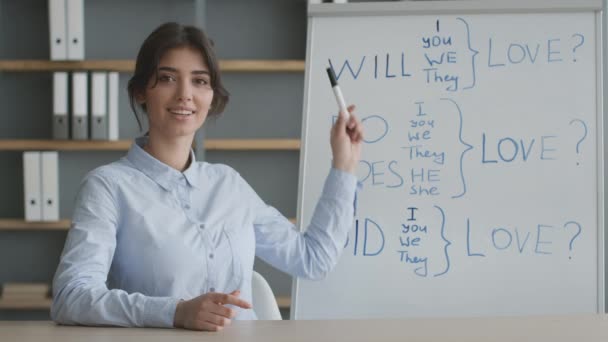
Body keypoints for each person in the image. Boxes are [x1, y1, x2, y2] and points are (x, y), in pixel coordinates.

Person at [50, 22, 363, 331]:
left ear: (212, 96)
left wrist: (344, 165)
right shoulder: (107, 187)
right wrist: (175, 312)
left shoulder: (228, 184)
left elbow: (312, 259)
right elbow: (71, 297)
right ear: (141, 91)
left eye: (200, 81)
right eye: (167, 78)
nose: (185, 94)